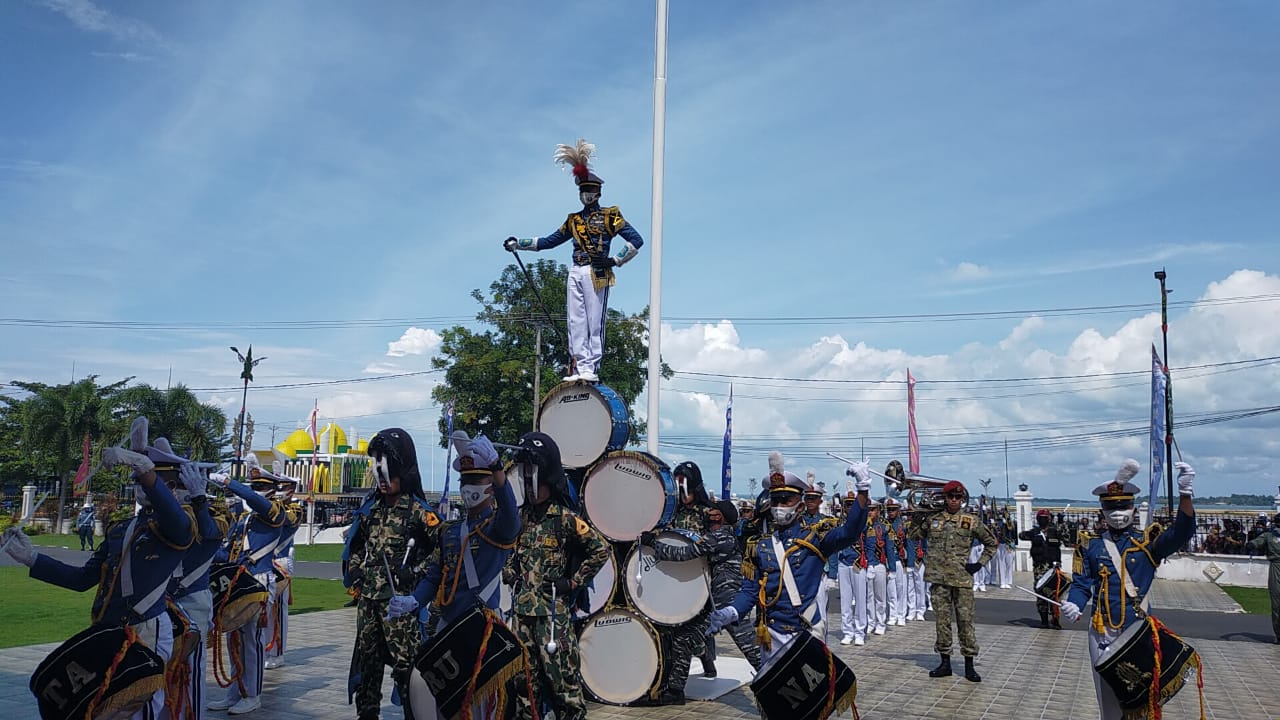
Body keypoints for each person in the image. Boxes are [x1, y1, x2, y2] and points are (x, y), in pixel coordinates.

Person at [3, 417, 197, 720]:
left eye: (157, 480)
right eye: (137, 480)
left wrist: (145, 470)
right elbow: (83, 579)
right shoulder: (122, 529)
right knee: (102, 709)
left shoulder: (178, 526)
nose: (140, 487)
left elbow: (175, 519)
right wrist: (33, 559)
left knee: (140, 710)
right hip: (106, 628)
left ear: (172, 485)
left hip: (145, 628)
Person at [387, 432, 521, 719]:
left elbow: (511, 516)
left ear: (489, 487)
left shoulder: (497, 529)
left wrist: (498, 470)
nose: (470, 487)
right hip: (447, 624)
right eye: (465, 481)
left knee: (478, 703)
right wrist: (413, 600)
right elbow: (434, 575)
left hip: (479, 626)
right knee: (438, 699)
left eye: (477, 481)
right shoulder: (449, 531)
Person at [1061, 459, 1198, 720]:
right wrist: (1075, 603)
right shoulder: (1090, 545)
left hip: (1138, 632)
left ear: (1133, 508)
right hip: (1102, 633)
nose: (1117, 512)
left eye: (1123, 506)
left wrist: (1185, 494)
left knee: (1141, 699)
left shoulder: (1148, 543)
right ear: (1102, 510)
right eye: (1111, 507)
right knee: (1109, 703)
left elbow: (1182, 532)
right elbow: (1082, 583)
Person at [707, 451, 871, 664]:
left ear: (800, 506)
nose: (779, 506)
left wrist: (863, 489)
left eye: (786, 500)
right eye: (775, 500)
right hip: (771, 635)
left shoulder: (815, 537)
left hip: (804, 631)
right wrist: (731, 611)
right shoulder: (760, 545)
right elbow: (750, 590)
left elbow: (850, 531)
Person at [504, 139, 645, 382]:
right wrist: (520, 243)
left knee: (594, 321)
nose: (585, 195)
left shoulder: (610, 216)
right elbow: (549, 241)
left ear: (598, 193)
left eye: (589, 191)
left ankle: (592, 367)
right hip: (575, 270)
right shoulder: (573, 220)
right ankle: (579, 365)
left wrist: (614, 261)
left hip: (596, 272)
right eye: (582, 191)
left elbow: (636, 240)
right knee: (575, 321)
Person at [505, 432, 610, 720]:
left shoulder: (564, 519)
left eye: (534, 475)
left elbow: (600, 551)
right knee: (525, 686)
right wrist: (510, 572)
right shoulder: (521, 517)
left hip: (553, 618)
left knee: (564, 685)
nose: (529, 483)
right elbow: (510, 552)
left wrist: (574, 582)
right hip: (522, 615)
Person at [342, 428, 440, 720]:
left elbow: (443, 550)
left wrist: (416, 571)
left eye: (389, 469)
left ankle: (414, 715)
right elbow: (357, 543)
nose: (382, 479)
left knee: (406, 669)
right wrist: (357, 566)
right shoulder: (370, 509)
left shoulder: (419, 512)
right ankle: (367, 715)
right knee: (367, 667)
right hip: (370, 602)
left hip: (399, 605)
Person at [639, 490, 762, 699]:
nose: (709, 514)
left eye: (713, 513)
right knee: (684, 637)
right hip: (718, 606)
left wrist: (653, 543)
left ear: (720, 517)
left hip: (729, 606)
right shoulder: (721, 534)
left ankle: (783, 684)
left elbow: (684, 554)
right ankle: (675, 690)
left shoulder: (721, 537)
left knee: (754, 652)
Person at [207, 456, 290, 715]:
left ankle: (252, 694)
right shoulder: (246, 519)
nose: (253, 492)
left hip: (257, 582)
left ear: (269, 490)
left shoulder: (274, 513)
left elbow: (257, 502)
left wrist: (232, 483)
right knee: (235, 640)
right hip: (237, 580)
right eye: (251, 487)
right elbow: (229, 550)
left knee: (251, 641)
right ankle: (235, 692)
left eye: (257, 488)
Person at [907, 480, 996, 682]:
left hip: (962, 580)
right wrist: (918, 514)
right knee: (942, 623)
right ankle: (945, 662)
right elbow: (913, 536)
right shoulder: (933, 519)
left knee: (966, 623)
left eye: (958, 497)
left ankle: (969, 665)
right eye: (950, 497)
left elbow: (991, 543)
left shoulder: (971, 520)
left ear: (962, 499)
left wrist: (979, 564)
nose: (954, 500)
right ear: (945, 498)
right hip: (939, 579)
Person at [639, 460, 711, 705]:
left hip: (697, 583)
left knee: (683, 637)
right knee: (671, 635)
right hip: (671, 581)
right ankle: (699, 656)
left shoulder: (707, 514)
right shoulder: (669, 513)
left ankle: (675, 690)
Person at [265, 475, 303, 670]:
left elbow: (285, 522)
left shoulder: (294, 509)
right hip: (263, 561)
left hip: (280, 560)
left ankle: (277, 652)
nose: (280, 491)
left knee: (278, 610)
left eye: (284, 487)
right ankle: (264, 647)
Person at [1020, 508, 1064, 629]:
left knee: (1055, 593)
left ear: (1049, 518)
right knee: (1041, 594)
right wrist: (1032, 536)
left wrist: (1061, 521)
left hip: (1053, 567)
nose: (1042, 520)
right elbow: (1021, 536)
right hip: (1039, 568)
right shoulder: (1035, 531)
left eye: (1045, 518)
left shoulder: (1054, 531)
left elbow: (1066, 536)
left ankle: (1055, 619)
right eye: (1040, 518)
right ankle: (1044, 620)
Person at [1247, 513, 1280, 644]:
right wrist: (1251, 545)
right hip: (1276, 566)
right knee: (1276, 600)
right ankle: (1278, 633)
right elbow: (1256, 542)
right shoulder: (1269, 536)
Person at [885, 497, 915, 626]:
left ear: (898, 511)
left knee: (901, 590)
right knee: (890, 591)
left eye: (893, 510)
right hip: (887, 562)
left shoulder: (903, 526)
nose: (891, 512)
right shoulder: (884, 525)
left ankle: (901, 615)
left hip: (900, 561)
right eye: (889, 510)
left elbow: (910, 545)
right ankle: (892, 615)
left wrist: (910, 564)